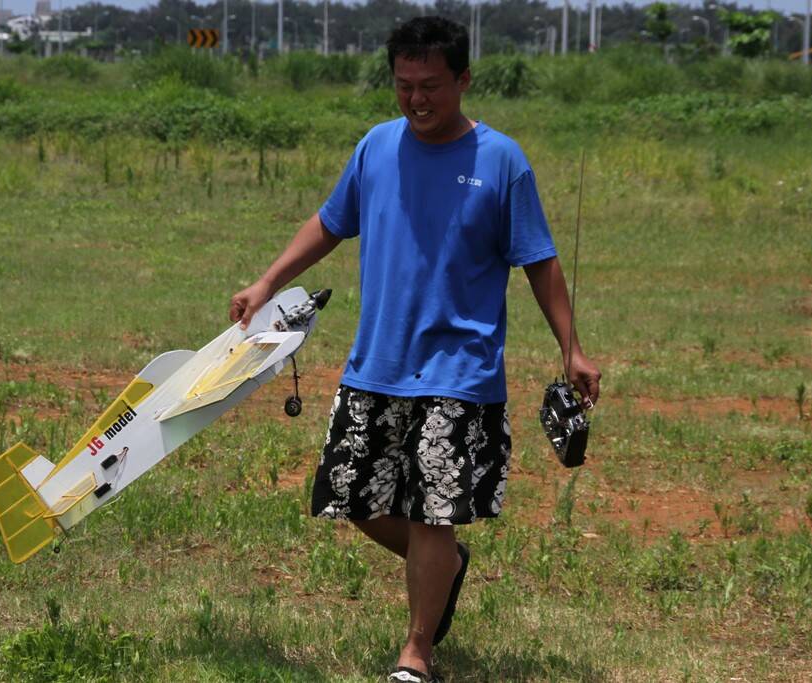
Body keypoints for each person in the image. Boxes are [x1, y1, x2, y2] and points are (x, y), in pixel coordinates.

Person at [230, 16, 600, 682]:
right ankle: (444, 566)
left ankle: (417, 651)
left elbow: (538, 260)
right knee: (356, 501)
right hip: (378, 361)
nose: (417, 99)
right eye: (404, 86)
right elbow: (329, 223)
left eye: (431, 85)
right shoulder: (376, 147)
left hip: (461, 367)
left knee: (433, 509)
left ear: (463, 79)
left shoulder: (502, 161)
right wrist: (266, 281)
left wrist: (570, 347)